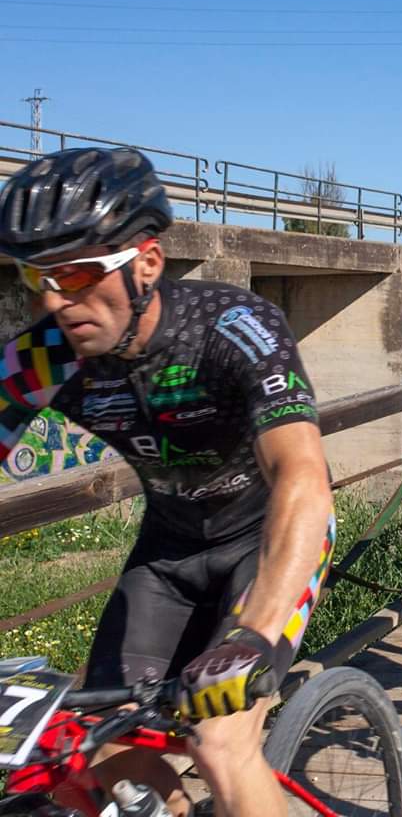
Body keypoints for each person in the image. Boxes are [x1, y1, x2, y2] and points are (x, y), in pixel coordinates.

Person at [0, 148, 335, 817]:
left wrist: (254, 636)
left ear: (147, 262)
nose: (55, 300)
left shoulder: (232, 328)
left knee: (220, 742)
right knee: (95, 746)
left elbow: (302, 476)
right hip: (169, 551)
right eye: (36, 277)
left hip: (266, 541)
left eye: (76, 273)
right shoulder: (44, 356)